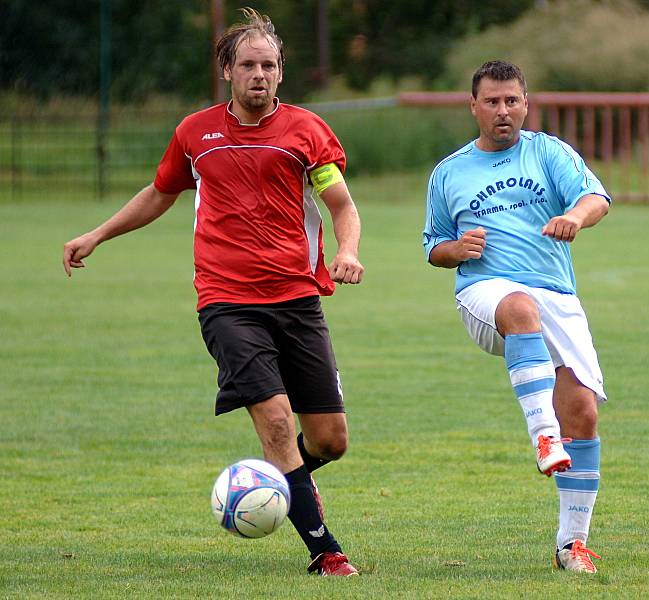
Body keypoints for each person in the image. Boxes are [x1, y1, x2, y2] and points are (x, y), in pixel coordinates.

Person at [63, 8, 362, 577]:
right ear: (228, 69)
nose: (260, 74)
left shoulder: (307, 131)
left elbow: (341, 204)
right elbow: (159, 193)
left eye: (269, 65)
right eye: (248, 64)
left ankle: (274, 476)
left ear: (281, 72)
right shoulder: (195, 133)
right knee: (276, 422)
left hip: (298, 299)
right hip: (226, 301)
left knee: (330, 440)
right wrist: (98, 234)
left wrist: (347, 251)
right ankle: (326, 552)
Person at [422, 60, 610, 573]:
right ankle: (542, 435)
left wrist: (573, 216)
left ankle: (572, 545)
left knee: (584, 414)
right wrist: (456, 248)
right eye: (492, 101)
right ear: (474, 106)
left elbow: (596, 198)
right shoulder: (449, 171)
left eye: (512, 101)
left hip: (557, 295)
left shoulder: (549, 152)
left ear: (525, 104)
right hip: (486, 295)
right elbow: (433, 247)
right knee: (520, 308)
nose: (503, 111)